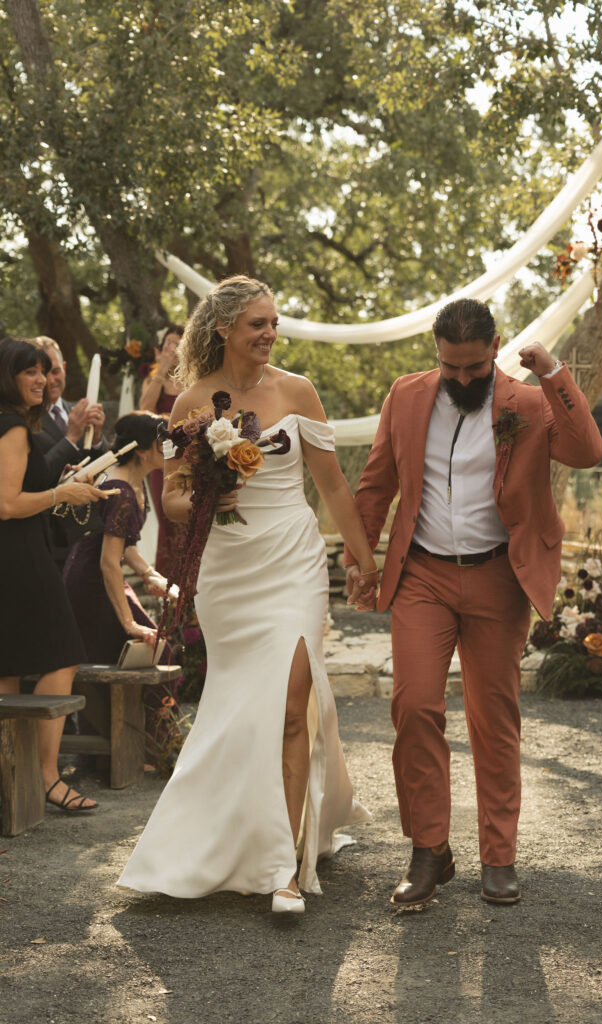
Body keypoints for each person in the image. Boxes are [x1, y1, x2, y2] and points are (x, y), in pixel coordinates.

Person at [117, 276, 376, 913]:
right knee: (241, 708)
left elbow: (334, 488)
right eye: (256, 323)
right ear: (223, 327)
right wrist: (208, 489)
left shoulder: (298, 390)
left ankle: (284, 868)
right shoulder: (191, 402)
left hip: (292, 557)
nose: (268, 333)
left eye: (273, 322)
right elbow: (172, 498)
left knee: (292, 704)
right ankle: (220, 837)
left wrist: (366, 560)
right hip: (230, 570)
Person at [344, 298, 602, 907]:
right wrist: (361, 558)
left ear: (495, 350)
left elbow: (588, 450)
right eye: (450, 367)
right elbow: (376, 482)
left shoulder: (531, 402)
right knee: (413, 706)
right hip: (423, 577)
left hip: (497, 578)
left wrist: (554, 375)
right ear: (437, 354)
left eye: (473, 368)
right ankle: (429, 849)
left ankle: (499, 856)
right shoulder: (406, 396)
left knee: (493, 720)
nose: (461, 379)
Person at [0, 337, 108, 813]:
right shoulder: (13, 429)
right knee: (63, 652)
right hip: (20, 558)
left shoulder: (16, 426)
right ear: (9, 376)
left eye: (45, 371)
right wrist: (62, 496)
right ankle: (46, 777)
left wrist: (62, 483)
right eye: (30, 372)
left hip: (15, 555)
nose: (42, 380)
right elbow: (7, 505)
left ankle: (13, 783)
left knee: (7, 666)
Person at [63, 413, 173, 758]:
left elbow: (124, 547)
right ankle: (153, 747)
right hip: (90, 586)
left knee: (154, 650)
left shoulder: (133, 482)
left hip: (99, 578)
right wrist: (128, 622)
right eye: (162, 444)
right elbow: (108, 561)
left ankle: (134, 746)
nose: (169, 449)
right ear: (142, 451)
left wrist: (149, 574)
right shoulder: (122, 490)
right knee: (156, 649)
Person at [32, 336, 108, 568]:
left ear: (64, 368)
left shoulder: (73, 409)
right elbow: (36, 476)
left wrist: (96, 438)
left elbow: (103, 468)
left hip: (91, 531)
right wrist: (71, 437)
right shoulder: (23, 419)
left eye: (55, 371)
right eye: (43, 373)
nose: (50, 380)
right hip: (51, 541)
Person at [137, 326, 186, 579]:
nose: (170, 348)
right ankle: (169, 586)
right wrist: (161, 373)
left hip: (190, 458)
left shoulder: (193, 378)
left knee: (188, 520)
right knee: (167, 518)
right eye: (167, 343)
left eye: (176, 343)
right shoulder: (154, 377)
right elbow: (144, 410)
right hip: (162, 460)